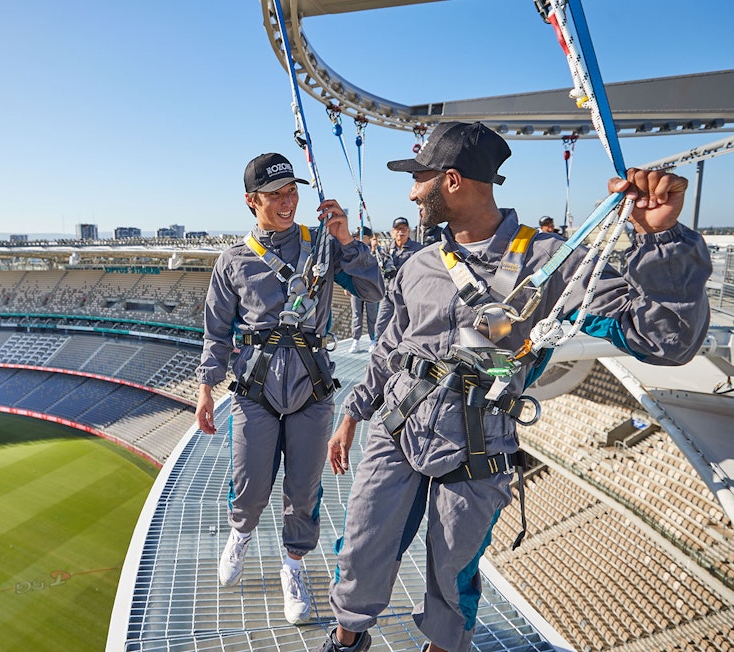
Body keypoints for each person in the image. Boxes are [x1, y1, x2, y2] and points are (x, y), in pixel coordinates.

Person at [318, 122, 711, 652]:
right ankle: (346, 641)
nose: (412, 193)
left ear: (451, 181)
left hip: (478, 445)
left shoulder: (553, 262)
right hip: (398, 427)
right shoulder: (417, 264)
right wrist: (352, 414)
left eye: (420, 179)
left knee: (451, 581)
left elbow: (667, 340)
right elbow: (391, 347)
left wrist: (660, 239)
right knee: (361, 553)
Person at [195, 152, 385, 625]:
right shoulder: (234, 260)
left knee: (303, 491)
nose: (287, 201)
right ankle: (239, 535)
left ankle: (293, 565)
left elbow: (374, 290)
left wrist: (347, 240)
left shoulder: (322, 245)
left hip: (311, 389)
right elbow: (216, 332)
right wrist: (204, 389)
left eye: (292, 191)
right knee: (251, 485)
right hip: (255, 391)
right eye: (275, 194)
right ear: (251, 201)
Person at [348, 226, 380, 353]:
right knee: (356, 314)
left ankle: (373, 339)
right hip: (356, 286)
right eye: (356, 237)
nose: (359, 239)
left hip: (371, 288)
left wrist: (373, 249)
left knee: (372, 315)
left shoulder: (376, 250)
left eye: (362, 237)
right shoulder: (354, 251)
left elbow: (378, 265)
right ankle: (356, 340)